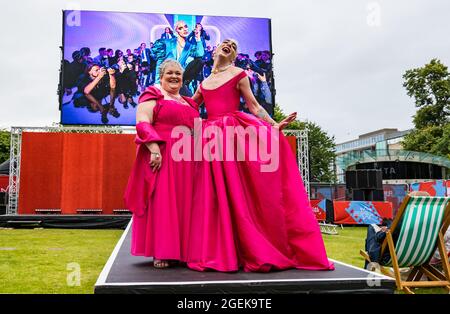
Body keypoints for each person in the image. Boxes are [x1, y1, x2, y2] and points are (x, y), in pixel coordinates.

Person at [187, 39, 334, 272]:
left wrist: (275, 124)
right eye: (224, 43)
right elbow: (189, 106)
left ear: (234, 56)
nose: (229, 45)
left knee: (239, 192)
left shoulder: (239, 75)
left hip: (233, 135)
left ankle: (254, 246)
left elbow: (254, 107)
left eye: (233, 46)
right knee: (214, 195)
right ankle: (222, 250)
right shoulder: (204, 82)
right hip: (210, 138)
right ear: (214, 50)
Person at [124, 59, 200, 269]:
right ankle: (162, 251)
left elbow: (199, 130)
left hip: (189, 159)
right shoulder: (152, 95)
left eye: (178, 73)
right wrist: (154, 149)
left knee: (187, 203)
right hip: (164, 155)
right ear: (161, 75)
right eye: (170, 73)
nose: (175, 76)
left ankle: (184, 251)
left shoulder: (190, 102)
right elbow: (142, 123)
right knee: (164, 203)